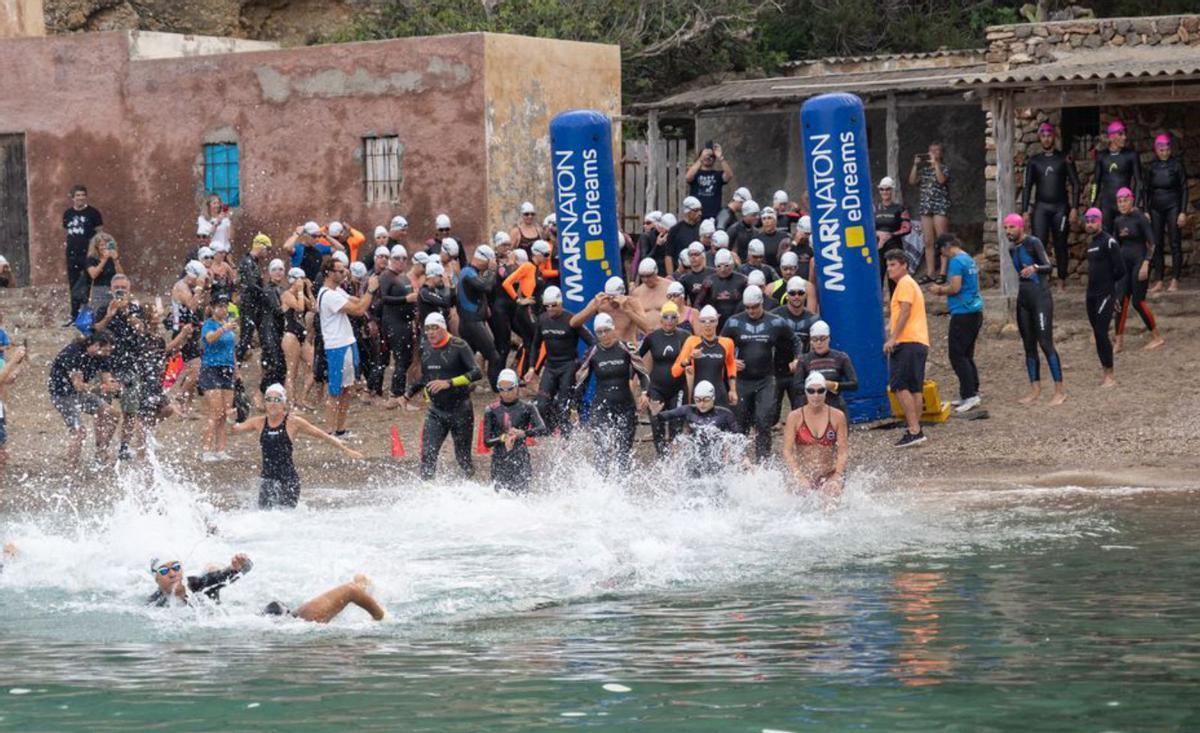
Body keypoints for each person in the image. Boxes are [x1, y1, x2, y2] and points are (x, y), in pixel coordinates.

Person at [232, 383, 363, 508]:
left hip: (288, 481)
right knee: (265, 518)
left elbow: (321, 435)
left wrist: (345, 449)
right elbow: (235, 429)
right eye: (269, 399)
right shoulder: (259, 422)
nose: (272, 403)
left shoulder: (293, 422)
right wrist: (231, 418)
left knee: (286, 519)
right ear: (265, 403)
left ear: (284, 403)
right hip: (267, 480)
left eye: (277, 399)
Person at [721, 286, 798, 461]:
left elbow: (795, 340)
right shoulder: (734, 322)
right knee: (739, 424)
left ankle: (763, 461)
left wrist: (797, 359)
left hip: (766, 380)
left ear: (761, 303)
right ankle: (738, 461)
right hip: (742, 380)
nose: (751, 311)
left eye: (754, 307)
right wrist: (730, 360)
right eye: (747, 307)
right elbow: (721, 345)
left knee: (763, 421)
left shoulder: (776, 322)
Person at [407, 312, 482, 480]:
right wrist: (407, 395)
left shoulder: (459, 345)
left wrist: (449, 382)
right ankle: (427, 492)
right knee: (428, 454)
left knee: (463, 459)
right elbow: (426, 377)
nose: (431, 332)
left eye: (435, 328)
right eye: (427, 329)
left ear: (443, 328)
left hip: (461, 410)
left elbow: (477, 373)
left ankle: (469, 491)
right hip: (436, 411)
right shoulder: (425, 347)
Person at [575, 313, 650, 477]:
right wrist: (576, 405)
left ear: (613, 329)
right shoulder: (592, 352)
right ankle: (601, 486)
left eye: (606, 331)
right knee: (602, 448)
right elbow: (581, 381)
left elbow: (643, 373)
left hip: (625, 405)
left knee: (623, 450)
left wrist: (645, 393)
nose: (603, 336)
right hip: (601, 405)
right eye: (599, 332)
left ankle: (621, 488)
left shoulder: (626, 347)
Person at [1004, 214, 1066, 406]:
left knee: (1045, 343)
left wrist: (1035, 268)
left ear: (1021, 227)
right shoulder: (1012, 249)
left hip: (1041, 299)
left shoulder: (1034, 242)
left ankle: (1059, 391)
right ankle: (1035, 389)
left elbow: (1049, 267)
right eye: (1006, 228)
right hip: (1024, 301)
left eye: (1012, 227)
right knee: (1028, 346)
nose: (1008, 231)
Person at [316, 257, 379, 436]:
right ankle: (329, 431)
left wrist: (366, 292)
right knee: (335, 391)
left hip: (346, 343)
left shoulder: (337, 291)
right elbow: (359, 310)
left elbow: (358, 301)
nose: (344, 274)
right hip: (337, 346)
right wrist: (371, 290)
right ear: (329, 273)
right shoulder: (328, 295)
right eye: (340, 271)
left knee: (346, 389)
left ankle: (340, 430)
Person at [526, 286, 594, 437]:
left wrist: (583, 364)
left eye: (553, 305)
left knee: (564, 405)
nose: (550, 309)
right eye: (547, 306)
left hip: (568, 365)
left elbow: (592, 342)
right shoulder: (542, 319)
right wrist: (531, 368)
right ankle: (550, 431)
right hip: (550, 366)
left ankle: (566, 435)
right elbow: (535, 345)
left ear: (560, 303)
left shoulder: (571, 319)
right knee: (542, 404)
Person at [928, 234, 984, 413]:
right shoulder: (968, 259)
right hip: (975, 310)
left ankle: (970, 395)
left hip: (962, 312)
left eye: (941, 251)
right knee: (967, 354)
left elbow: (955, 287)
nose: (942, 256)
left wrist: (939, 290)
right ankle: (971, 390)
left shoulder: (956, 262)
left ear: (946, 247)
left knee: (957, 355)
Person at [1022, 123, 1081, 291]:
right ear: (1040, 138)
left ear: (1054, 137)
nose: (1046, 138)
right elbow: (1027, 186)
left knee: (1060, 243)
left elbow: (1075, 183)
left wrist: (1075, 208)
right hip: (1041, 207)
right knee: (1039, 243)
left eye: (1049, 135)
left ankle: (1061, 279)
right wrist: (1025, 210)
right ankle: (1042, 278)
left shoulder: (1064, 158)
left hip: (1060, 208)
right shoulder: (1034, 161)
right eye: (1043, 136)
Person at [48, 331, 118, 467]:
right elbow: (78, 386)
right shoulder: (73, 353)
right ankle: (71, 469)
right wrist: (101, 388)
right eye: (106, 350)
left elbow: (107, 378)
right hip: (62, 394)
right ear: (96, 346)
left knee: (113, 414)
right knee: (79, 432)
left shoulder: (101, 355)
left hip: (80, 393)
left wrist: (113, 384)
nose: (108, 354)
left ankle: (101, 451)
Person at [884, 249, 930, 446]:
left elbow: (905, 310)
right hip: (919, 340)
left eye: (893, 264)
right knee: (914, 388)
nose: (889, 269)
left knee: (899, 385)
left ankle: (914, 429)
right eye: (888, 265)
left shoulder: (904, 283)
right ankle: (916, 429)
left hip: (907, 341)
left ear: (904, 265)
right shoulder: (910, 284)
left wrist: (893, 337)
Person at [1111, 189, 1165, 352]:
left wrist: (1146, 263)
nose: (1122, 204)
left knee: (1138, 302)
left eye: (1125, 200)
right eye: (1119, 201)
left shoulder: (1140, 218)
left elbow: (1152, 243)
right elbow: (1115, 244)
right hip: (1124, 264)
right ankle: (1119, 342)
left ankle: (1157, 337)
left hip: (1139, 263)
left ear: (1132, 200)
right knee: (1120, 301)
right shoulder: (1118, 220)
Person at [649, 379, 739, 476]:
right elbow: (665, 416)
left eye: (706, 400)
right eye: (698, 400)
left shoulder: (725, 414)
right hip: (694, 460)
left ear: (713, 398)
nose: (702, 404)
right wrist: (655, 414)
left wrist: (743, 457)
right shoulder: (688, 410)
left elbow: (738, 437)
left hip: (716, 460)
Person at [781, 372, 848, 503]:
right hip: (804, 474)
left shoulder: (837, 416)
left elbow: (843, 451)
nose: (815, 395)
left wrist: (837, 476)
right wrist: (797, 475)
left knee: (832, 500)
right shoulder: (794, 417)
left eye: (820, 391)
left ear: (825, 392)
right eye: (811, 391)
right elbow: (787, 451)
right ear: (805, 392)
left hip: (829, 474)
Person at [481, 369, 547, 493]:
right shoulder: (491, 410)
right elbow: (486, 441)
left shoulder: (528, 407)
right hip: (499, 460)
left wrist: (524, 433)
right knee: (500, 498)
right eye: (502, 389)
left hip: (520, 458)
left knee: (521, 497)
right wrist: (503, 438)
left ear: (517, 387)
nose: (506, 393)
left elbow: (542, 428)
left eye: (509, 389)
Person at [638, 302, 689, 456]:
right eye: (666, 317)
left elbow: (694, 359)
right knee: (656, 422)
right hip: (657, 388)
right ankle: (662, 457)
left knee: (676, 424)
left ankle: (674, 458)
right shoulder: (653, 337)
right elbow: (636, 359)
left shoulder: (685, 336)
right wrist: (640, 385)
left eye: (673, 317)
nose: (669, 320)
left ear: (678, 319)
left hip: (678, 387)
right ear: (661, 320)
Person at [1081, 208, 1125, 387]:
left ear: (1100, 221)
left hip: (1105, 294)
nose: (1090, 224)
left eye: (1093, 220)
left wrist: (1111, 291)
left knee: (1101, 331)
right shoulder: (1091, 244)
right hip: (1091, 294)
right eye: (1087, 221)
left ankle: (1110, 374)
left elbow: (1121, 270)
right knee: (1098, 334)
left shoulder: (1110, 242)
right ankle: (1104, 371)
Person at [1145, 134, 1189, 293]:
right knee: (1156, 243)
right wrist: (1145, 210)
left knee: (1175, 242)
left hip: (1173, 206)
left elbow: (1184, 189)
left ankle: (1175, 279)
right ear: (1156, 150)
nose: (1165, 152)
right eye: (1161, 150)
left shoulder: (1176, 165)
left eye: (1167, 149)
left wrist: (1182, 212)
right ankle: (1158, 280)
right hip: (1156, 207)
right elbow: (1146, 190)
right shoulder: (1152, 167)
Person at [457, 244, 503, 390]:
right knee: (493, 356)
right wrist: (492, 271)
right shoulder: (468, 272)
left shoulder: (471, 272)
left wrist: (485, 307)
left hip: (470, 322)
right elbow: (486, 287)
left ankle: (462, 386)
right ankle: (497, 389)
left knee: (466, 358)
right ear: (484, 259)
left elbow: (478, 292)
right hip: (472, 323)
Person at [672, 305, 737, 406]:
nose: (708, 325)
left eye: (711, 321)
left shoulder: (727, 343)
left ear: (717, 322)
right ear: (699, 322)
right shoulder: (692, 342)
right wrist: (689, 358)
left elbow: (731, 365)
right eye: (703, 321)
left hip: (719, 394)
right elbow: (675, 372)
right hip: (699, 396)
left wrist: (733, 390)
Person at [379, 244, 419, 407]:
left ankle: (396, 395)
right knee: (401, 359)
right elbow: (383, 298)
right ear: (390, 259)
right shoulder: (386, 276)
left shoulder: (403, 277)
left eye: (404, 258)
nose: (401, 261)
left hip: (405, 322)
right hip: (394, 323)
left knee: (406, 359)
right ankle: (397, 396)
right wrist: (406, 300)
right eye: (397, 258)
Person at [771, 276, 818, 412]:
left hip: (800, 371)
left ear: (805, 295)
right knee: (771, 416)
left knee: (801, 411)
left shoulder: (813, 318)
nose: (796, 297)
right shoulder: (775, 316)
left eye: (800, 293)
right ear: (787, 295)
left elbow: (818, 346)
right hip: (776, 370)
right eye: (792, 293)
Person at [199, 298, 238, 461]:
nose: (223, 310)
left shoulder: (228, 324)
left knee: (224, 413)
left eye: (225, 307)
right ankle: (205, 450)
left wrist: (237, 369)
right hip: (211, 369)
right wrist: (224, 328)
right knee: (215, 411)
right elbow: (209, 339)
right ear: (212, 308)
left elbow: (231, 348)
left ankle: (221, 450)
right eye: (220, 307)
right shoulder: (209, 324)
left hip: (227, 368)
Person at [263, 574, 386, 623]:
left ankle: (363, 582)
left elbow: (351, 590)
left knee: (357, 587)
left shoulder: (310, 617)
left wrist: (379, 617)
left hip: (302, 617)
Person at [908, 142, 951, 283]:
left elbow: (941, 180)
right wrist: (915, 165)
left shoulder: (944, 168)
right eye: (931, 150)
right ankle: (930, 272)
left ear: (941, 153)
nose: (933, 153)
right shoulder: (925, 170)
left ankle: (943, 272)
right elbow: (912, 181)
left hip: (940, 206)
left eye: (936, 150)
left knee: (942, 240)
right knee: (928, 241)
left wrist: (936, 164)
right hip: (926, 207)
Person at [796, 320, 857, 413]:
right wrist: (816, 386)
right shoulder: (804, 359)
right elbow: (797, 386)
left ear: (829, 339)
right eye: (815, 339)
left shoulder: (840, 357)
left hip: (835, 405)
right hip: (812, 406)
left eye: (822, 338)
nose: (819, 343)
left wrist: (834, 385)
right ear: (811, 342)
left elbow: (854, 384)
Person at [62, 185, 104, 323]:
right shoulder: (67, 214)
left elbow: (100, 234)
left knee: (87, 284)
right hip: (72, 255)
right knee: (73, 285)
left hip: (88, 255)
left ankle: (87, 316)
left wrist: (98, 251)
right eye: (77, 195)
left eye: (82, 195)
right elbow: (67, 232)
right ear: (72, 197)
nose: (80, 198)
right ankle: (74, 315)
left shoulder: (93, 213)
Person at [147, 554, 252, 607]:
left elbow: (244, 569)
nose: (172, 574)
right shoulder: (155, 601)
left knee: (214, 569)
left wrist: (239, 566)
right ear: (156, 578)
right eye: (164, 571)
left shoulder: (198, 584)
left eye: (176, 567)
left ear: (182, 570)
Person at [1092, 120, 1142, 231]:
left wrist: (1136, 204)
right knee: (1108, 239)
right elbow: (1096, 183)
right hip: (1107, 205)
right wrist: (1092, 203)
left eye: (1124, 134)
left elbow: (1139, 181)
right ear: (1111, 137)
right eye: (1120, 134)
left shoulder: (1131, 155)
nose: (1124, 137)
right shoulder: (1102, 156)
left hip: (1125, 204)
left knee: (1125, 239)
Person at [236, 233, 272, 361]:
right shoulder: (248, 262)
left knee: (263, 336)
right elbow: (251, 285)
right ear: (261, 247)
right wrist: (266, 294)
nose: (268, 253)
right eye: (268, 249)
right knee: (246, 338)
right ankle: (235, 367)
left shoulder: (253, 262)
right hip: (249, 305)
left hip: (254, 304)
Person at [694, 249, 747, 330]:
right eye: (719, 266)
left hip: (738, 322)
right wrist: (708, 316)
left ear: (732, 265)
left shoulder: (742, 280)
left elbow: (748, 302)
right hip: (716, 323)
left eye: (726, 266)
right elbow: (697, 304)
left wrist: (741, 316)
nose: (723, 270)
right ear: (715, 266)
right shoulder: (709, 281)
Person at [874, 177, 911, 286]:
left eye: (888, 189)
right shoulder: (874, 208)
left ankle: (895, 302)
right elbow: (866, 227)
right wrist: (878, 234)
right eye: (882, 189)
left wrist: (891, 235)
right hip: (878, 248)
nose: (885, 192)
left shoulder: (900, 208)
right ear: (879, 191)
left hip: (894, 247)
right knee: (877, 277)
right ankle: (878, 303)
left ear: (892, 190)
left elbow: (907, 227)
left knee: (895, 279)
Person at [686, 142, 734, 220]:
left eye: (711, 156)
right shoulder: (695, 173)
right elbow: (688, 177)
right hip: (696, 216)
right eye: (705, 156)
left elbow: (729, 176)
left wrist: (720, 157)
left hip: (713, 216)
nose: (708, 158)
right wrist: (701, 159)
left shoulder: (718, 174)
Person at [0, 345, 28, 469]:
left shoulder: (0, 361)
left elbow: (7, 380)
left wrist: (19, 368)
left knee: (3, 454)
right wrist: (13, 360)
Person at [84, 232, 123, 315]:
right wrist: (104, 260)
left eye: (106, 245)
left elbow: (121, 275)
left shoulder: (112, 259)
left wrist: (116, 260)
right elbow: (93, 275)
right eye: (101, 245)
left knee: (116, 314)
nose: (104, 247)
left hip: (114, 290)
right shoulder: (92, 259)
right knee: (99, 314)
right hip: (99, 290)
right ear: (96, 247)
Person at [666, 197, 703, 275]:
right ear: (687, 211)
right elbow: (668, 256)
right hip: (681, 272)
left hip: (699, 272)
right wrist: (671, 277)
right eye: (696, 210)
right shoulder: (675, 230)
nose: (700, 213)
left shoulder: (702, 228)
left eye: (700, 210)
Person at [630, 257, 674, 323]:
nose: (645, 280)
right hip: (645, 332)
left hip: (666, 330)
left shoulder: (669, 287)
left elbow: (681, 311)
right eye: (642, 276)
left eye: (648, 276)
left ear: (655, 272)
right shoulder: (637, 292)